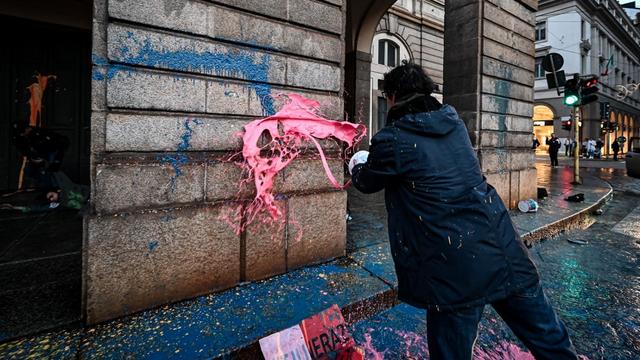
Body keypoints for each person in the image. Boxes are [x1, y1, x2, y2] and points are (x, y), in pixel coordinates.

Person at [349, 62, 577, 359]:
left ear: (392, 96)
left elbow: (367, 182)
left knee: (451, 353)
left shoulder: (392, 139)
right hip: (505, 251)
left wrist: (357, 162)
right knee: (550, 339)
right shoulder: (454, 124)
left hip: (453, 269)